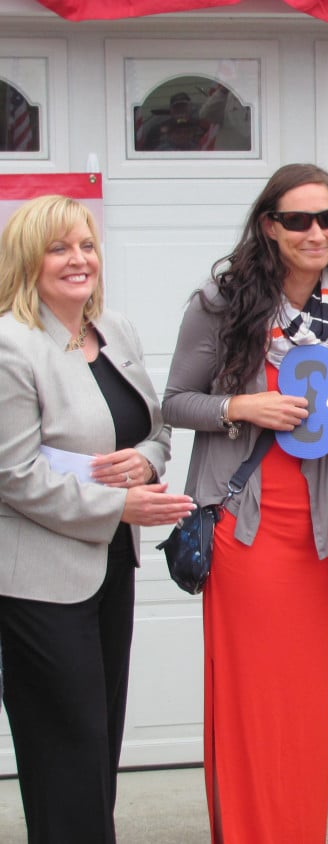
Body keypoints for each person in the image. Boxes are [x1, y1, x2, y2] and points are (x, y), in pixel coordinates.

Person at [162, 163, 328, 844]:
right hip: (244, 526)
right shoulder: (223, 304)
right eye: (298, 219)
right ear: (268, 226)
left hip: (314, 535)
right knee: (252, 703)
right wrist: (238, 406)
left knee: (304, 706)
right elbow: (173, 402)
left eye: (327, 217)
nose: (316, 232)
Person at [0, 194, 195, 843]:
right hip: (38, 581)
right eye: (59, 247)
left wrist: (144, 461)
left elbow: (155, 427)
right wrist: (121, 505)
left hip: (110, 562)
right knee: (66, 746)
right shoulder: (11, 346)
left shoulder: (115, 329)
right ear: (27, 258)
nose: (78, 259)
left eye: (85, 245)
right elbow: (12, 475)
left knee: (100, 737)